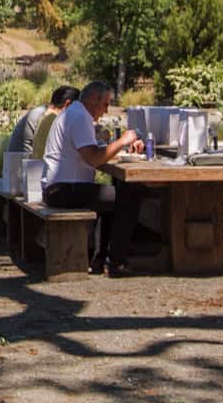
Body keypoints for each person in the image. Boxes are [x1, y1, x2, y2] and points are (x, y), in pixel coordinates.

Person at [40, 81, 150, 277]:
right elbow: (93, 158)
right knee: (128, 197)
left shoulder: (73, 113)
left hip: (57, 187)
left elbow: (91, 152)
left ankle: (99, 260)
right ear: (93, 99)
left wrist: (117, 147)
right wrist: (123, 141)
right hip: (63, 189)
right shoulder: (80, 117)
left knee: (108, 198)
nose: (106, 110)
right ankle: (116, 262)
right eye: (105, 104)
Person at [8, 85, 79, 157]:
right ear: (67, 104)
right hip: (22, 161)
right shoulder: (47, 117)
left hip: (25, 160)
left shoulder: (45, 112)